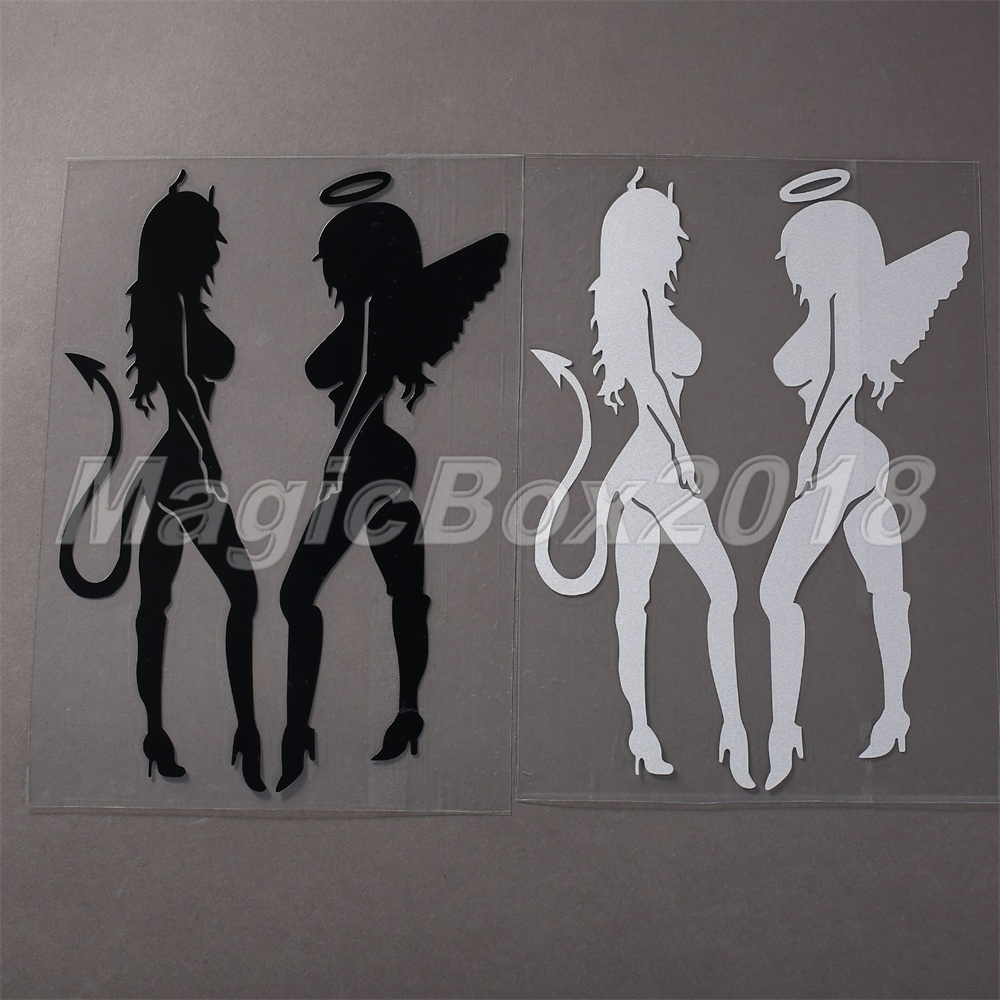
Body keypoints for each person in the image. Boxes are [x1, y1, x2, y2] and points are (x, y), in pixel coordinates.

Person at [275, 172, 508, 792]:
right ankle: (401, 714)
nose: (329, 274)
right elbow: (335, 368)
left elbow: (369, 383)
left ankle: (308, 729)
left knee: (307, 594)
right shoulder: (370, 316)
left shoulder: (379, 314)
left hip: (365, 463)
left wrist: (338, 453)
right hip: (381, 460)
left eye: (335, 261)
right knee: (400, 590)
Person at [533, 167, 753, 789]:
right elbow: (650, 385)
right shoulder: (627, 300)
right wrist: (681, 455)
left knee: (637, 601)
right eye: (668, 236)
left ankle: (646, 732)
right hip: (655, 463)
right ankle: (731, 730)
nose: (677, 247)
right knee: (719, 590)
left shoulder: (650, 300)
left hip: (642, 464)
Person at [61, 170, 264, 790]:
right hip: (184, 466)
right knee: (241, 593)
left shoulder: (166, 301)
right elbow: (179, 384)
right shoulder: (170, 303)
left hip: (167, 465)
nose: (214, 254)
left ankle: (157, 731)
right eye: (206, 242)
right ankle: (245, 731)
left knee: (156, 600)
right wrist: (208, 455)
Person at [759, 194, 969, 790]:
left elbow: (841, 379)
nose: (788, 262)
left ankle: (784, 731)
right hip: (863, 456)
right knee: (885, 588)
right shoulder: (839, 307)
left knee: (776, 592)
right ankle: (895, 713)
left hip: (841, 459)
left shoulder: (839, 305)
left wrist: (811, 451)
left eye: (796, 250)